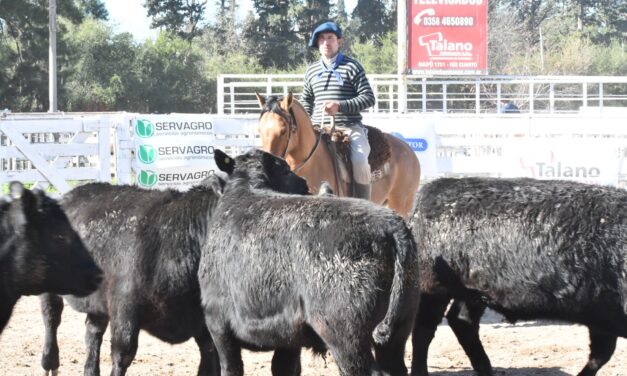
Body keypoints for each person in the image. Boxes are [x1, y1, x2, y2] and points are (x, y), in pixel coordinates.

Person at [300, 21, 376, 200]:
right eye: (321, 39)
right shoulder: (311, 71)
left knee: (359, 161)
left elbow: (369, 98)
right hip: (317, 129)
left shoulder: (352, 66)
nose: (326, 42)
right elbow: (306, 102)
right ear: (317, 44)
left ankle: (363, 205)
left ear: (339, 41)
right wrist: (307, 124)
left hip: (350, 128)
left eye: (330, 38)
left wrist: (340, 105)